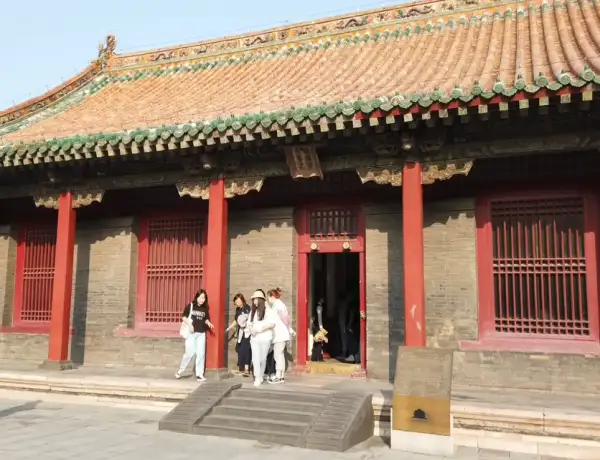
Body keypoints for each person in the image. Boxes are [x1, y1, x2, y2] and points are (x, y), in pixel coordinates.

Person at [175, 289, 214, 381]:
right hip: (191, 333)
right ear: (196, 297)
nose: (202, 300)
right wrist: (190, 325)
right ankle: (180, 370)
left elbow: (206, 318)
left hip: (201, 333)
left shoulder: (205, 308)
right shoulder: (191, 306)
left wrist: (209, 323)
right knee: (189, 353)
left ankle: (199, 374)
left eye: (204, 298)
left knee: (201, 354)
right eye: (200, 297)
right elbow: (184, 317)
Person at [247, 289, 276, 387]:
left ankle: (261, 375)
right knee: (255, 358)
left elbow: (272, 324)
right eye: (253, 299)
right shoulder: (252, 312)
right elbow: (249, 324)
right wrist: (251, 329)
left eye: (256, 299)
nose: (255, 301)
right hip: (254, 338)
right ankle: (257, 377)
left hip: (264, 338)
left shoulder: (268, 310)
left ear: (261, 300)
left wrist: (260, 329)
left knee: (262, 359)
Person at [267, 287, 291, 384]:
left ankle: (278, 375)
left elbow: (285, 320)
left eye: (268, 297)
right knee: (280, 355)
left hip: (279, 334)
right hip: (280, 334)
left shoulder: (278, 306)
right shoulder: (278, 305)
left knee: (277, 355)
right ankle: (281, 376)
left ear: (272, 296)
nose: (268, 299)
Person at [226, 293, 251, 376]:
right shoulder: (237, 309)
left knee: (246, 350)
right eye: (236, 301)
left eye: (239, 300)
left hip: (246, 332)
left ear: (242, 300)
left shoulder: (247, 307)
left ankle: (247, 369)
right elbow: (236, 321)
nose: (238, 302)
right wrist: (228, 328)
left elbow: (246, 318)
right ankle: (241, 368)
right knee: (240, 350)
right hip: (240, 333)